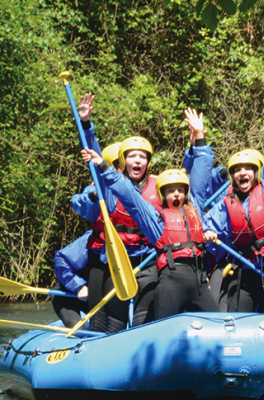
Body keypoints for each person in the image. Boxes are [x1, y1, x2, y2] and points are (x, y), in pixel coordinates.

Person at [81, 108, 219, 320]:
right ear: (162, 194)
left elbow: (202, 170)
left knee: (216, 325)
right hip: (169, 283)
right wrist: (102, 164)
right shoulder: (156, 220)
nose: (176, 194)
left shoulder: (195, 206)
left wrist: (199, 137)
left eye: (181, 190)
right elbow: (127, 193)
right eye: (171, 190)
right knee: (146, 319)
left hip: (199, 281)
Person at [202, 93, 264, 320]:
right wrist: (206, 234)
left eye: (248, 168)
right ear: (232, 177)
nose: (242, 173)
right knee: (238, 319)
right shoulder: (225, 205)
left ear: (257, 173)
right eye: (237, 170)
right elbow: (202, 227)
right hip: (246, 273)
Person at [74, 93, 162, 333]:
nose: (137, 161)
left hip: (142, 256)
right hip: (107, 256)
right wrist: (85, 124)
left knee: (126, 313)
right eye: (132, 156)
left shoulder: (160, 187)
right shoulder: (111, 185)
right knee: (101, 314)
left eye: (142, 157)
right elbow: (95, 159)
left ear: (148, 163)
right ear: (123, 161)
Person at [51, 230, 91, 329]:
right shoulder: (90, 240)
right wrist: (79, 285)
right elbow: (60, 259)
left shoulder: (130, 245)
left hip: (93, 297)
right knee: (79, 331)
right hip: (66, 296)